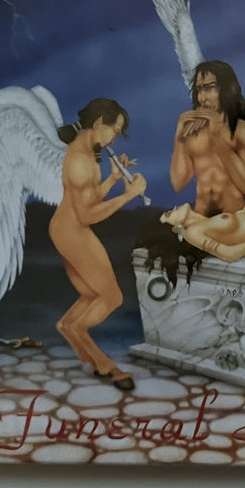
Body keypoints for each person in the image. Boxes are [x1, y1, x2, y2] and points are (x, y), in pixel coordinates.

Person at [50, 98, 147, 390]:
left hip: (67, 228)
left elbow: (91, 199)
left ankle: (70, 330)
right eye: (114, 131)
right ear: (99, 124)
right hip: (72, 231)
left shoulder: (86, 153)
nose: (114, 138)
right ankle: (100, 358)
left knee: (92, 294)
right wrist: (128, 196)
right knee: (112, 297)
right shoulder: (80, 162)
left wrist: (115, 178)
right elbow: (88, 215)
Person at [170, 60, 245, 216]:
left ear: (226, 89)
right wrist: (179, 139)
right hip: (201, 217)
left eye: (209, 88)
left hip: (234, 219)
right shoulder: (193, 131)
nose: (202, 98)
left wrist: (217, 136)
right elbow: (178, 184)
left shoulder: (242, 131)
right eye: (199, 89)